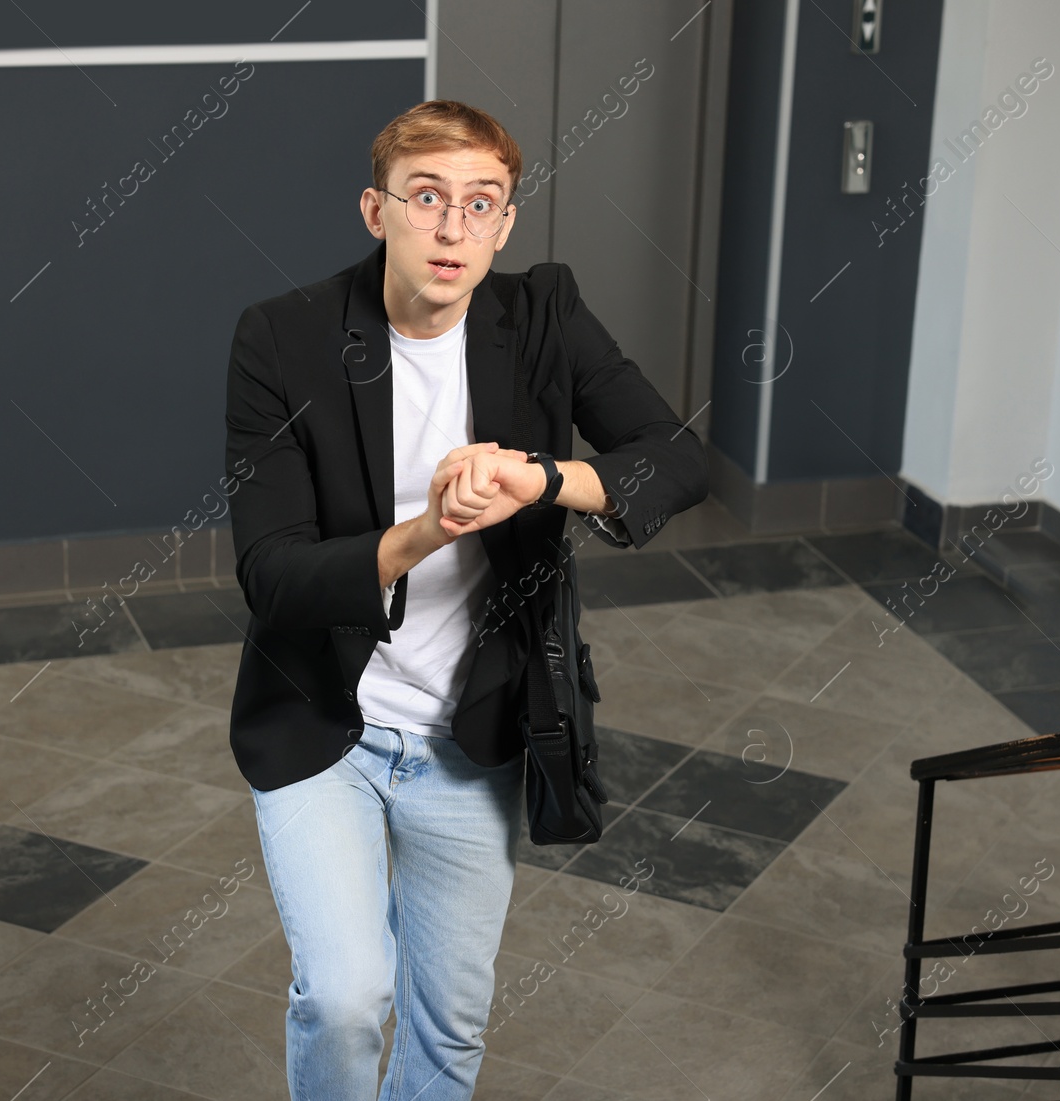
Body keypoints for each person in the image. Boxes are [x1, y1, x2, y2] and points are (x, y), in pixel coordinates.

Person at [222, 99, 709, 1100]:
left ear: (506, 224)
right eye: (428, 199)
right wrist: (425, 532)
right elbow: (271, 575)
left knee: (448, 1030)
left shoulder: (541, 318)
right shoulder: (283, 339)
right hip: (327, 724)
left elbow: (675, 458)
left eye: (479, 204)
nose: (453, 229)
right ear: (376, 210)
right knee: (348, 998)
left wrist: (542, 476)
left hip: (473, 733)